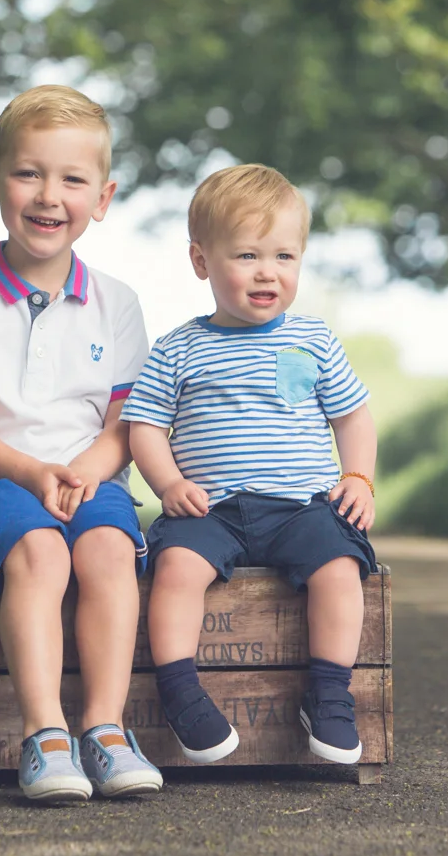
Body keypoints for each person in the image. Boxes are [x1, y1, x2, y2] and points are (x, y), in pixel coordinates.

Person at [0, 85, 161, 801]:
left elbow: (127, 425)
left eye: (73, 179)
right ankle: (45, 733)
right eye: (28, 173)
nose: (50, 196)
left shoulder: (118, 303)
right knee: (41, 550)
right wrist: (29, 472)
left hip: (87, 479)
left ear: (102, 197)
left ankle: (106, 730)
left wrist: (83, 471)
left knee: (111, 548)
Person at [121, 163, 379, 766]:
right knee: (178, 568)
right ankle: (181, 692)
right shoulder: (179, 347)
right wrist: (169, 483)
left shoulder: (312, 340)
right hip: (210, 508)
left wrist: (358, 477)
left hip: (300, 506)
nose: (268, 272)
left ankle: (330, 694)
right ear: (201, 261)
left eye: (285, 257)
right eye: (246, 256)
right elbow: (145, 427)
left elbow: (353, 417)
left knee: (341, 567)